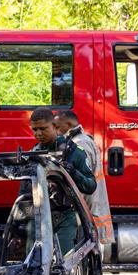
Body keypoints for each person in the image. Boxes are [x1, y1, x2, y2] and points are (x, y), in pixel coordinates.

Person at [24, 107, 96, 254]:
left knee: (65, 268)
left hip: (65, 218)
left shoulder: (73, 152)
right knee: (32, 267)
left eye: (43, 128)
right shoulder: (33, 153)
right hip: (37, 218)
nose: (38, 133)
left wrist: (73, 172)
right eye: (34, 129)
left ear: (55, 127)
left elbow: (90, 185)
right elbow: (24, 191)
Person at [55, 110, 115, 258]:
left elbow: (81, 181)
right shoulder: (83, 140)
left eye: (57, 126)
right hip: (89, 208)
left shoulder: (79, 143)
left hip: (85, 210)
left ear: (68, 124)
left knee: (82, 254)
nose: (56, 130)